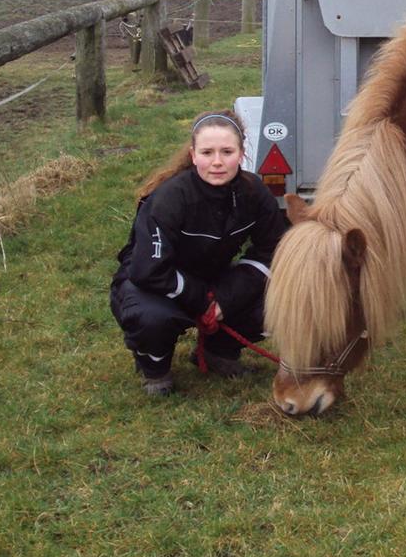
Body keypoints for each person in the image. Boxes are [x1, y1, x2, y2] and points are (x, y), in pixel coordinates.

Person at [110, 110, 286, 396]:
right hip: (153, 282)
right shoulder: (168, 198)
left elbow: (272, 252)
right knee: (151, 318)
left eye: (227, 151)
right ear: (193, 155)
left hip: (213, 281)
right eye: (207, 152)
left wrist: (225, 299)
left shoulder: (255, 193)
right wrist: (201, 300)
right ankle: (155, 368)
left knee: (282, 301)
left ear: (242, 154)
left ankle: (219, 352)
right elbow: (147, 270)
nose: (217, 162)